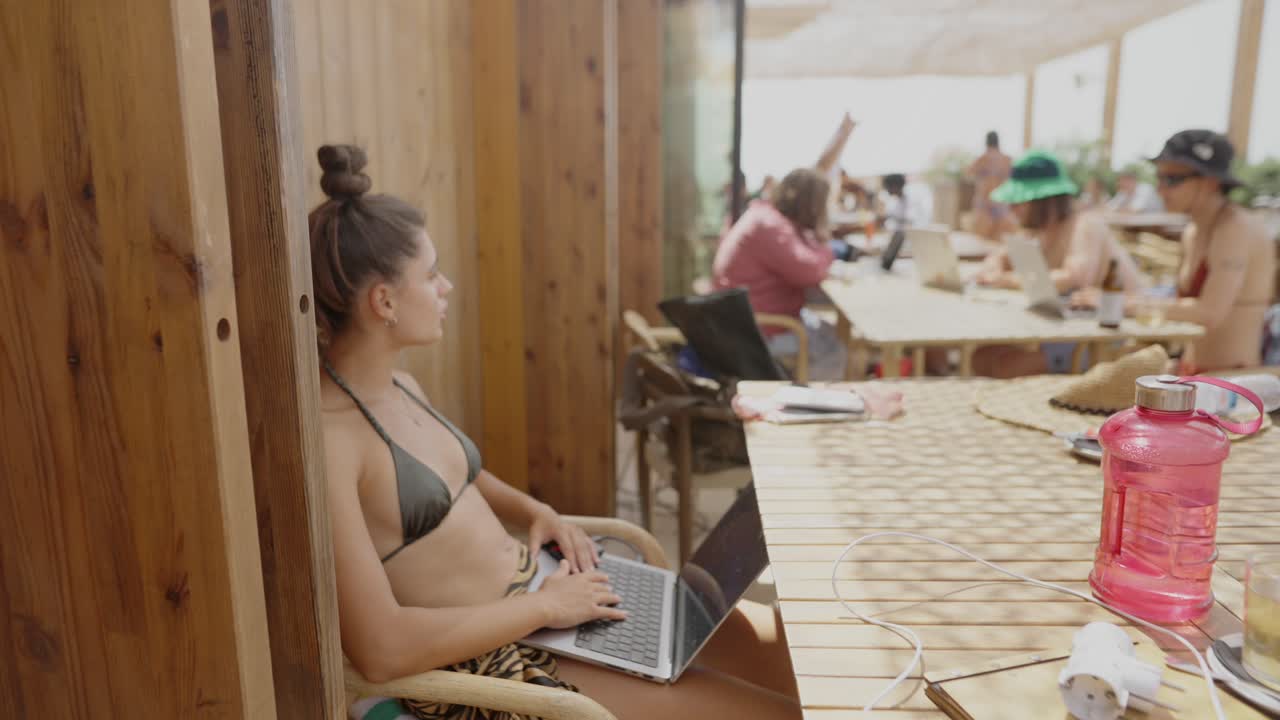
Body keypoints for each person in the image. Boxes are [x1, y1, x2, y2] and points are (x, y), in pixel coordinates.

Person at [310, 145, 801, 720]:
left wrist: (536, 511)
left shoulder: (400, 387)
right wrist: (544, 610)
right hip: (493, 662)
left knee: (792, 658)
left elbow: (460, 479)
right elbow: (381, 649)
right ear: (384, 301)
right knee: (768, 712)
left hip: (542, 603)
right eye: (431, 273)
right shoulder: (330, 443)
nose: (446, 287)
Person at [1078, 130, 1275, 372]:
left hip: (1231, 385)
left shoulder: (1234, 227)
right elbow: (1183, 307)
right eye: (1158, 177)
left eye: (1171, 179)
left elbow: (1210, 312)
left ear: (1210, 182)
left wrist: (1121, 304)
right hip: (1190, 373)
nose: (1160, 189)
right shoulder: (1193, 230)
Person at [972, 150, 1143, 377]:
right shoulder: (1041, 230)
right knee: (982, 356)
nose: (1012, 209)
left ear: (1044, 201)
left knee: (1006, 365)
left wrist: (1005, 280)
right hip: (1074, 329)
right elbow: (1000, 255)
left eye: (1018, 202)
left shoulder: (1085, 224)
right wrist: (993, 266)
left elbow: (1074, 277)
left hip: (1113, 338)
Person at [712, 167, 847, 380]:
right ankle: (814, 409)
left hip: (747, 322)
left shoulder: (766, 216)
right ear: (812, 204)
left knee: (831, 333)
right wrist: (824, 242)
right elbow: (809, 271)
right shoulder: (771, 225)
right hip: (757, 331)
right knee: (835, 349)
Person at [966, 131, 1018, 240]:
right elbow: (1015, 178)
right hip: (1001, 202)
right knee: (1000, 241)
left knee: (981, 242)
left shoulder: (982, 158)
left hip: (984, 203)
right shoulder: (1007, 159)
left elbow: (968, 172)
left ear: (986, 142)